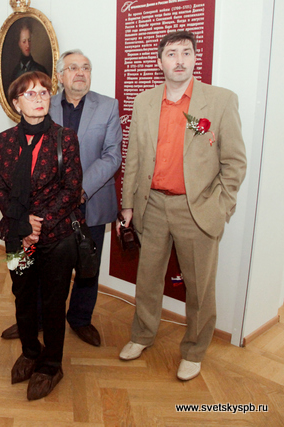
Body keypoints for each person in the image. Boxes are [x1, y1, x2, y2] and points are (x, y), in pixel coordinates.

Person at [117, 31, 247, 381]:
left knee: (199, 287)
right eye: (172, 53)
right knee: (147, 279)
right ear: (160, 62)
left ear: (194, 58)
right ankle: (142, 335)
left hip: (197, 209)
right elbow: (134, 157)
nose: (179, 60)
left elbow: (235, 162)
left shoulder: (220, 101)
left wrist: (221, 207)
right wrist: (127, 205)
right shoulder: (144, 101)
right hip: (152, 205)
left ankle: (193, 351)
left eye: (186, 52)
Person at [0, 50, 122, 347]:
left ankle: (80, 318)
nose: (80, 73)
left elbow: (112, 155)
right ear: (60, 76)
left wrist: (78, 189)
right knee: (41, 267)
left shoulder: (108, 106)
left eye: (86, 67)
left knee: (87, 264)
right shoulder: (44, 102)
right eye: (73, 67)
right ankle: (36, 319)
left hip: (90, 200)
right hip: (46, 209)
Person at [0, 71, 83, 400]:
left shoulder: (64, 138)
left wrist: (38, 224)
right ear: (16, 103)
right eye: (30, 94)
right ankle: (31, 351)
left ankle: (52, 364)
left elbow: (72, 189)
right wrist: (22, 225)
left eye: (44, 92)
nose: (39, 98)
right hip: (17, 236)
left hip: (56, 238)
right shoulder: (5, 140)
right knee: (23, 295)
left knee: (54, 302)